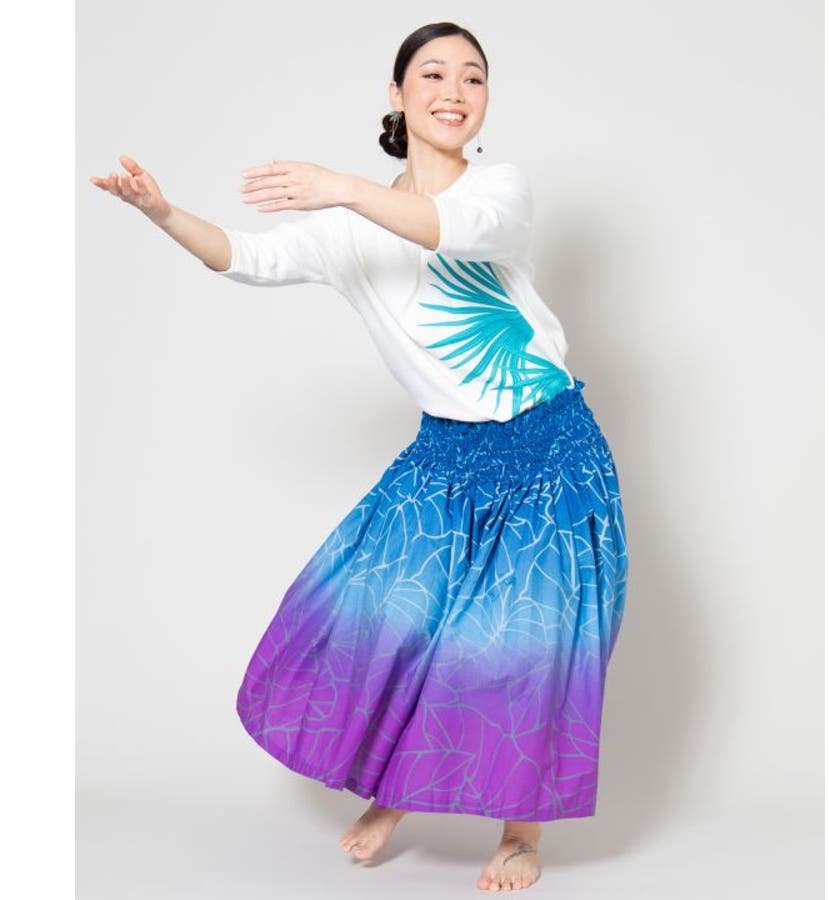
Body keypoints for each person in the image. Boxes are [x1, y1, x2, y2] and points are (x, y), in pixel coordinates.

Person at [90, 20, 628, 894]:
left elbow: (452, 230)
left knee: (525, 649)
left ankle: (520, 838)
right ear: (397, 94)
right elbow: (247, 256)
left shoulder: (500, 188)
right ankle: (395, 791)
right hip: (445, 457)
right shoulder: (348, 231)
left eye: (473, 78)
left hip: (551, 454)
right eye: (433, 74)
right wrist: (162, 213)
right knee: (394, 628)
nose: (454, 91)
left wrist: (340, 187)